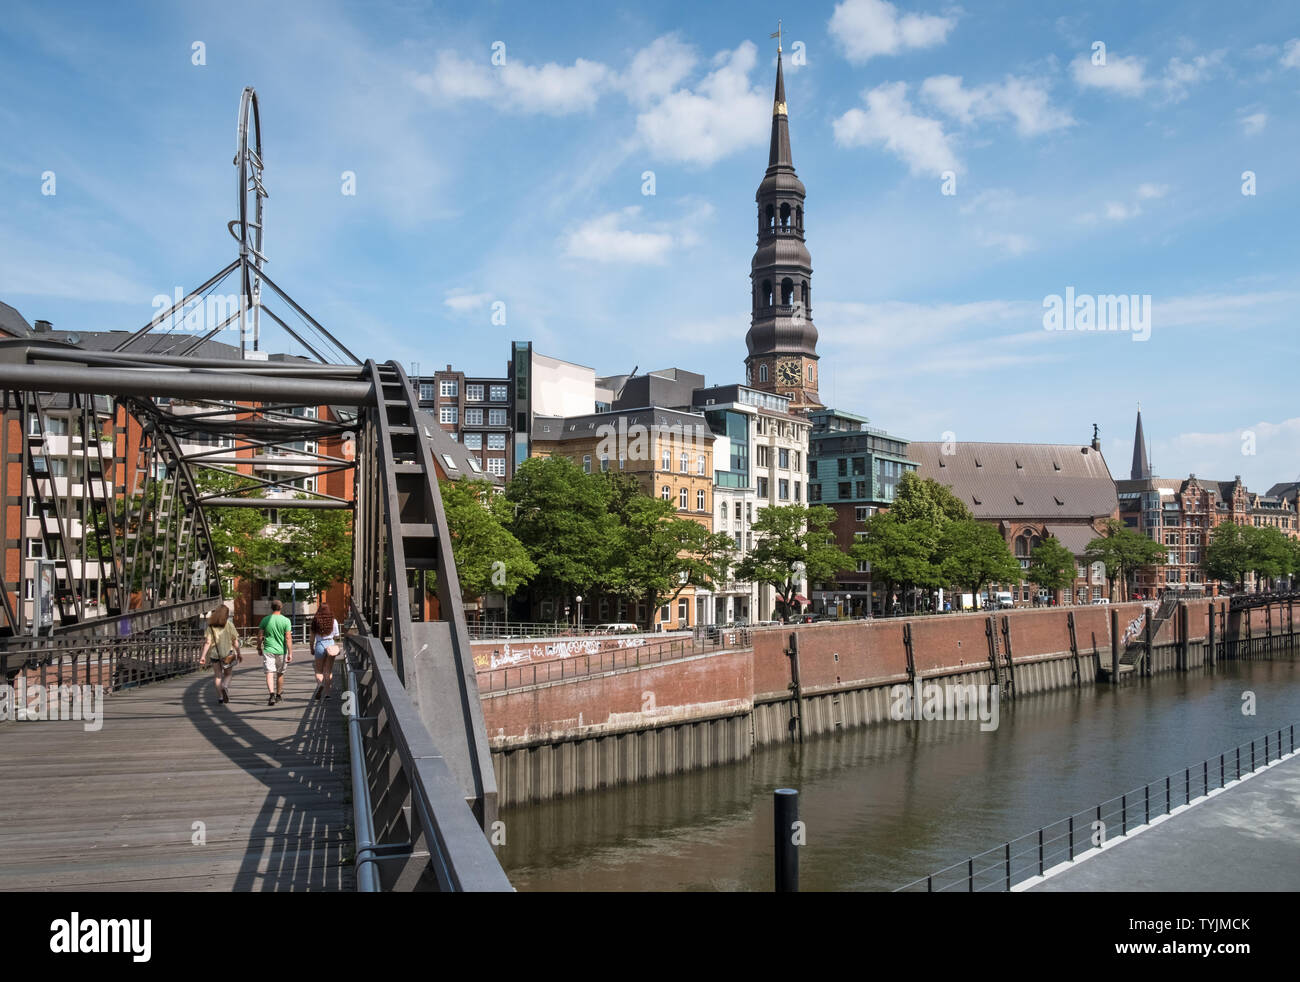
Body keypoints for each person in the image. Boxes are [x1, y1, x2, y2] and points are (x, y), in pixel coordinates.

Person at [198, 603, 241, 705]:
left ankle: (220, 697)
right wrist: (239, 653)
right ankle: (225, 686)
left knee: (217, 676)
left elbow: (208, 642)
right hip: (227, 654)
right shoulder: (229, 625)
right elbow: (235, 641)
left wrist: (203, 656)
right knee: (228, 674)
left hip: (215, 655)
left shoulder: (211, 626)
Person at [258, 599, 293, 706]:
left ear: (271, 608)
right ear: (281, 607)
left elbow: (260, 636)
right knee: (280, 673)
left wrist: (259, 647)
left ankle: (271, 694)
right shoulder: (286, 620)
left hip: (268, 649)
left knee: (269, 672)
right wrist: (290, 653)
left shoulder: (265, 619)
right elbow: (288, 637)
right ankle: (278, 695)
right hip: (282, 650)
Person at [310, 602, 342, 701]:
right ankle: (327, 694)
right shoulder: (334, 621)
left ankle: (320, 684)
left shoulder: (315, 621)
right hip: (330, 645)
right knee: (328, 671)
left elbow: (311, 638)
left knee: (319, 670)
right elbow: (337, 635)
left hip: (319, 644)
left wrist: (312, 648)